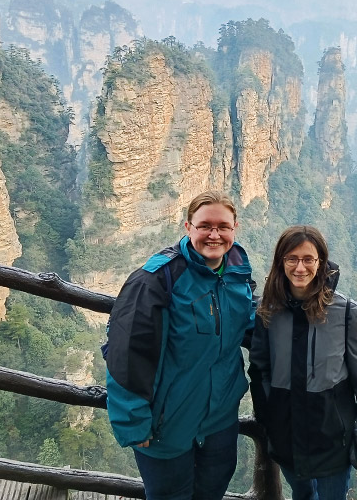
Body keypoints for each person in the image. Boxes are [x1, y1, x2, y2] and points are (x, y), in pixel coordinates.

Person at [105, 190, 255, 500]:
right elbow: (126, 354)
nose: (214, 235)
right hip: (166, 424)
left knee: (212, 492)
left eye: (223, 226)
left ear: (234, 228)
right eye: (205, 226)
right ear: (188, 228)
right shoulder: (157, 278)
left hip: (220, 419)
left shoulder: (237, 268)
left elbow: (248, 318)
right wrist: (134, 422)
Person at [249, 225, 357, 500]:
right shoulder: (268, 310)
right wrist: (268, 417)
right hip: (285, 430)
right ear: (281, 262)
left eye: (308, 259)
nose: (300, 267)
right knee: (301, 495)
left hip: (332, 434)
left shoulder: (347, 313)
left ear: (321, 262)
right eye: (292, 259)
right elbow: (259, 367)